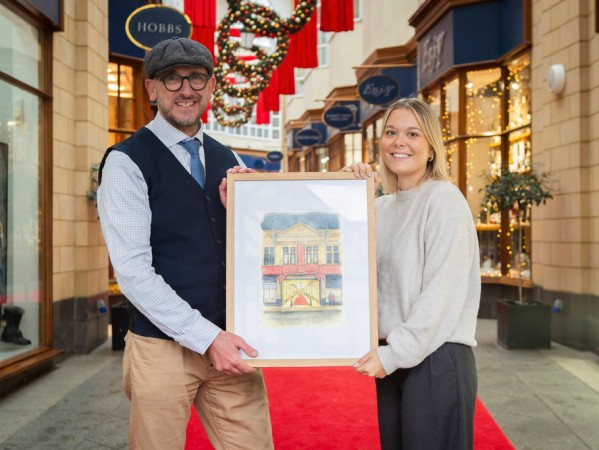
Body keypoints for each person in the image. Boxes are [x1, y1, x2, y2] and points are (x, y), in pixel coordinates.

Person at [97, 37, 273, 450]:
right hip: (162, 348)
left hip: (230, 340)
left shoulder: (228, 158)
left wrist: (246, 215)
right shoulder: (126, 162)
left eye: (196, 78)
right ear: (151, 89)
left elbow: (253, 253)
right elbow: (133, 273)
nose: (186, 89)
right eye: (172, 79)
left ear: (211, 87)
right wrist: (207, 337)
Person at [345, 98, 481, 450]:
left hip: (437, 358)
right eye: (391, 132)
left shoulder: (444, 200)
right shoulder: (380, 206)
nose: (399, 142)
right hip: (395, 357)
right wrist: (345, 191)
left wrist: (394, 355)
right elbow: (345, 264)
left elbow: (441, 294)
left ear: (432, 147)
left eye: (412, 134)